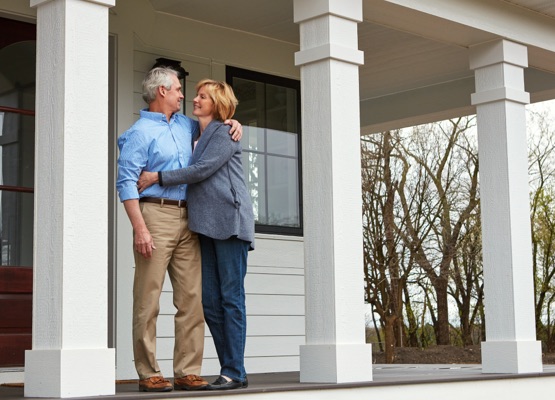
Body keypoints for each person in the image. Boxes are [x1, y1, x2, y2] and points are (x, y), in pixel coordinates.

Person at [116, 67, 242, 392]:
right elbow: (126, 183)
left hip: (190, 219)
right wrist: (140, 228)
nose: (183, 96)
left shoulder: (187, 125)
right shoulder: (140, 132)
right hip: (154, 217)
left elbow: (214, 131)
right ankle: (149, 373)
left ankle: (187, 370)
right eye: (177, 90)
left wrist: (234, 122)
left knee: (192, 298)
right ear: (162, 91)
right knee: (148, 298)